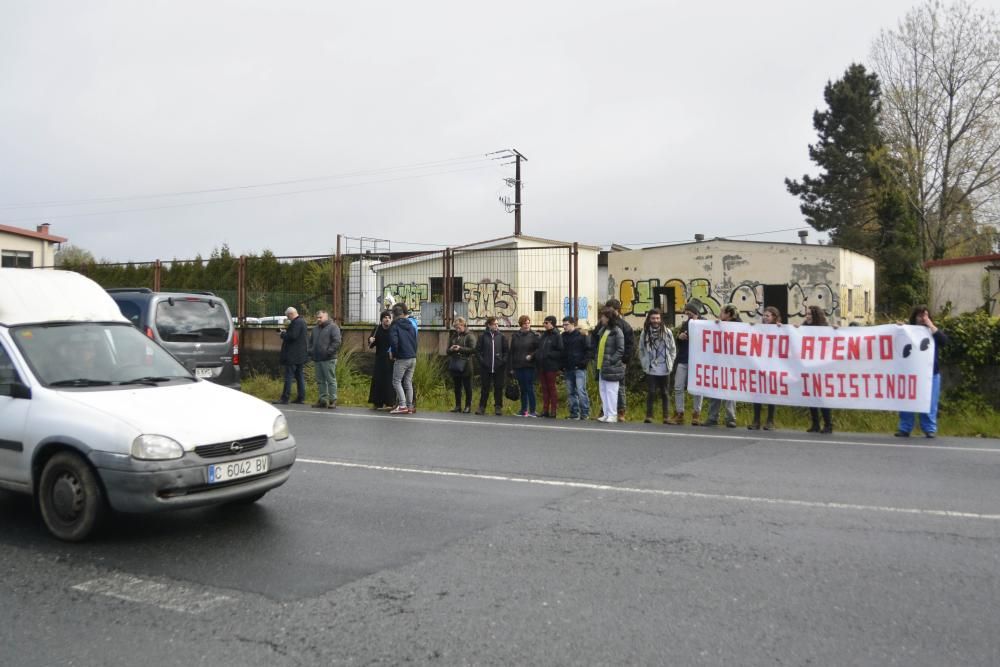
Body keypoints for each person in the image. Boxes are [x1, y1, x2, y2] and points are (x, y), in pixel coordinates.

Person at [896, 305, 948, 439]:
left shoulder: (932, 331)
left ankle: (929, 429)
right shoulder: (907, 330)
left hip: (931, 374)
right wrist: (898, 328)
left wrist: (930, 325)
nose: (922, 318)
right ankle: (905, 428)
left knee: (930, 403)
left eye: (925, 315)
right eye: (920, 315)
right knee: (907, 402)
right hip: (911, 374)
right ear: (914, 317)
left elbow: (944, 341)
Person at [666, 299, 704, 425]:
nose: (687, 315)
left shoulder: (705, 323)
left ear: (695, 312)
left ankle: (696, 414)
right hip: (683, 359)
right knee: (678, 386)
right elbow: (679, 340)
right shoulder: (685, 324)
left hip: (698, 361)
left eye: (689, 313)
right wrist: (680, 337)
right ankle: (679, 413)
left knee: (698, 388)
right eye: (686, 313)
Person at [703, 304, 740, 428]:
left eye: (722, 312)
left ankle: (730, 418)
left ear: (728, 314)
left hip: (731, 364)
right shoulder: (718, 326)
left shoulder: (739, 326)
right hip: (718, 363)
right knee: (715, 391)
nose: (719, 315)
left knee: (730, 392)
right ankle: (713, 417)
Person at [638, 308, 676, 424]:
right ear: (649, 319)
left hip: (665, 367)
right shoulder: (645, 333)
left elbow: (673, 349)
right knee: (651, 392)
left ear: (661, 319)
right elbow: (641, 350)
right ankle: (649, 416)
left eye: (658, 318)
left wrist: (671, 362)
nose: (655, 320)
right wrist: (644, 362)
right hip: (651, 368)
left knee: (665, 392)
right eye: (653, 318)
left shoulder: (667, 332)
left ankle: (666, 417)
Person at [749, 306, 782, 430]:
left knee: (770, 394)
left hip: (773, 366)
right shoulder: (759, 329)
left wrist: (785, 329)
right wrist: (750, 328)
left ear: (774, 317)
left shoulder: (779, 328)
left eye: (767, 316)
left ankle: (770, 421)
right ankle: (756, 421)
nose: (765, 318)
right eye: (764, 315)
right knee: (757, 393)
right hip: (759, 365)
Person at [802, 305, 833, 434]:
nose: (807, 316)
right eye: (807, 314)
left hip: (821, 368)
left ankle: (828, 424)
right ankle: (815, 424)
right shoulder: (804, 328)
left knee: (821, 398)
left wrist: (835, 330)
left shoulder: (824, 329)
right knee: (811, 397)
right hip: (809, 368)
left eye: (810, 314)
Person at [595, 307, 626, 422]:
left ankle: (613, 414)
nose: (601, 318)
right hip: (602, 365)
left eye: (603, 316)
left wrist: (612, 360)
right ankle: (606, 413)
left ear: (609, 318)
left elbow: (620, 349)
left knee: (611, 391)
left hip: (612, 366)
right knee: (603, 390)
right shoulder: (603, 330)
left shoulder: (617, 331)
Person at [606, 299, 634, 421]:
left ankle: (621, 411)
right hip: (606, 361)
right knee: (606, 386)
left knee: (620, 386)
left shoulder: (624, 326)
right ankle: (606, 409)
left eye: (610, 309)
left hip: (620, 361)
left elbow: (629, 345)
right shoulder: (604, 325)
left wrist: (624, 360)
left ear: (617, 310)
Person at [308, 309, 341, 409]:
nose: (318, 319)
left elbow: (337, 341)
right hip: (317, 358)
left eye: (320, 317)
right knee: (320, 381)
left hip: (328, 358)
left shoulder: (333, 327)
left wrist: (328, 352)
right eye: (317, 317)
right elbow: (311, 342)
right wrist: (310, 351)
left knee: (331, 380)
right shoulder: (315, 329)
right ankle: (322, 401)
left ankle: (333, 400)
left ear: (326, 317)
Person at [475, 316, 509, 416]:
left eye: (497, 324)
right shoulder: (482, 337)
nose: (496, 326)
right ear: (489, 325)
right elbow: (478, 351)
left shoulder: (502, 337)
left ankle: (498, 407)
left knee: (498, 387)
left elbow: (506, 351)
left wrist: (502, 361)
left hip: (498, 367)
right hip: (486, 367)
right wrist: (482, 361)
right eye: (494, 324)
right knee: (485, 387)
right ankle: (482, 407)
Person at [274, 306, 307, 405]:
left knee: (289, 376)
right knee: (299, 376)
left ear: (291, 314)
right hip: (300, 355)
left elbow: (292, 336)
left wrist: (282, 334)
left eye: (288, 316)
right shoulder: (302, 322)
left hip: (293, 355)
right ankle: (301, 397)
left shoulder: (296, 322)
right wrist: (285, 332)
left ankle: (285, 398)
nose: (288, 318)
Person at [388, 304, 418, 414]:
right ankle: (410, 406)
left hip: (402, 357)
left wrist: (394, 354)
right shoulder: (411, 324)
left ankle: (402, 405)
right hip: (412, 357)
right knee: (408, 382)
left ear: (394, 315)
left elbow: (394, 342)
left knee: (396, 381)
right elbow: (415, 340)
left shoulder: (394, 326)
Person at [560, 316, 591, 420]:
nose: (564, 327)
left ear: (573, 324)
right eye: (563, 325)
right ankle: (574, 413)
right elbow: (561, 352)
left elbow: (588, 350)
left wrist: (583, 363)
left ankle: (585, 413)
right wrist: (562, 365)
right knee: (570, 392)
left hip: (579, 368)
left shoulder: (581, 335)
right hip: (567, 367)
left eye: (566, 324)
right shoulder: (563, 336)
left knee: (581, 390)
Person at [510, 315, 540, 417]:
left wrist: (531, 356)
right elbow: (512, 352)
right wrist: (511, 368)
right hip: (518, 366)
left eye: (528, 323)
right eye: (524, 323)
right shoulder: (515, 336)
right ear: (521, 324)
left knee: (529, 388)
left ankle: (532, 410)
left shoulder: (535, 335)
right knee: (522, 388)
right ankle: (523, 410)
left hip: (529, 366)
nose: (527, 325)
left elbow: (539, 349)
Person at [536, 315, 564, 418]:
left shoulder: (557, 335)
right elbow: (540, 348)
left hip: (551, 366)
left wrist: (548, 354)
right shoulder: (544, 335)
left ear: (552, 323)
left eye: (546, 323)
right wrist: (539, 355)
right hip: (542, 365)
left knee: (551, 388)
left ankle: (553, 410)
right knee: (544, 388)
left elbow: (560, 351)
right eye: (544, 323)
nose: (544, 324)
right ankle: (545, 410)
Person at [446, 317, 476, 413]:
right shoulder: (454, 336)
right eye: (456, 328)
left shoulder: (470, 336)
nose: (457, 330)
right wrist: (451, 349)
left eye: (459, 327)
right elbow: (447, 351)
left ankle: (468, 406)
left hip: (466, 364)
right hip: (456, 363)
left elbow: (473, 349)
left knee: (468, 386)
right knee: (457, 386)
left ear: (464, 325)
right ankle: (458, 405)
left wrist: (460, 348)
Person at [367, 310, 396, 410]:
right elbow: (371, 345)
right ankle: (377, 402)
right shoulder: (377, 329)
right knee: (378, 380)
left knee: (389, 381)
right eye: (385, 317)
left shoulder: (393, 329)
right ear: (381, 320)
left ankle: (390, 403)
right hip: (380, 358)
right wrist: (370, 340)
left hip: (391, 359)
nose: (387, 319)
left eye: (389, 318)